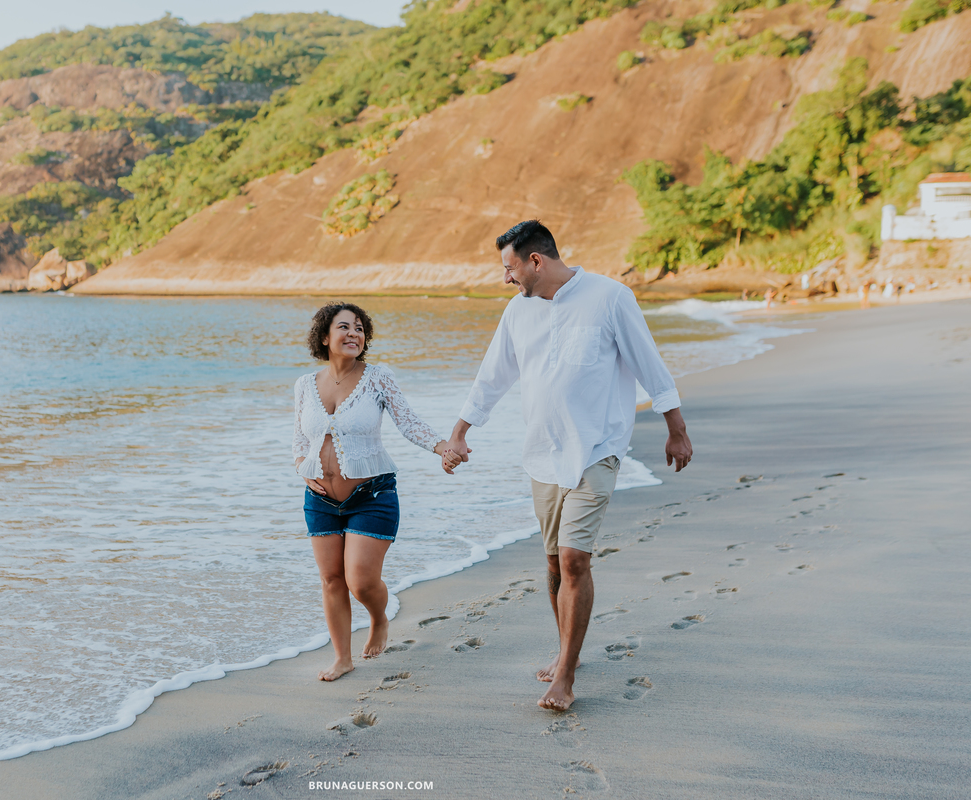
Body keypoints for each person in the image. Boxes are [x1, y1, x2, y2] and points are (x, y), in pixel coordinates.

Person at [441, 220, 693, 711]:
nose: (506, 279)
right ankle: (563, 653)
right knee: (555, 562)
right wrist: (460, 432)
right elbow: (491, 377)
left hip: (597, 449)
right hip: (542, 454)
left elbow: (649, 364)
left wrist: (676, 428)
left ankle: (567, 677)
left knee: (576, 559)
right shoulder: (518, 313)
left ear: (535, 260)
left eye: (509, 268)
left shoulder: (609, 297)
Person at [293, 302, 452, 682]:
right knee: (332, 580)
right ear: (325, 336)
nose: (353, 334)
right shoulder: (304, 385)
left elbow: (407, 421)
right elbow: (299, 440)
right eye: (344, 327)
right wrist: (301, 468)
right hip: (320, 499)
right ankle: (342, 657)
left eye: (360, 329)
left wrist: (442, 446)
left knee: (360, 581)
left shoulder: (378, 378)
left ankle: (379, 618)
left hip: (373, 494)